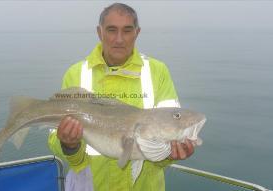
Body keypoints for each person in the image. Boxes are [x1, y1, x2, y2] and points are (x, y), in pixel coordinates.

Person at [48, 3, 195, 191]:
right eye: (111, 30)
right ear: (99, 32)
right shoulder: (75, 74)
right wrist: (69, 146)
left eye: (127, 31)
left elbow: (166, 140)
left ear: (137, 32)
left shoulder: (158, 72)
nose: (119, 39)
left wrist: (169, 155)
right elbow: (57, 141)